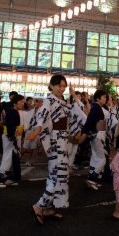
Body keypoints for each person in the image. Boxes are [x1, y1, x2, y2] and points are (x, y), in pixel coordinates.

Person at [27, 74, 75, 225]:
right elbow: (41, 116)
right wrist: (37, 130)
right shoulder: (48, 101)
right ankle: (39, 205)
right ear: (52, 86)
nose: (61, 89)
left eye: (63, 86)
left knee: (56, 174)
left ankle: (47, 207)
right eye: (59, 86)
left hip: (62, 139)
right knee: (58, 175)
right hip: (55, 142)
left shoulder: (62, 101)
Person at [79, 90, 109, 191]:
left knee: (96, 157)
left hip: (97, 135)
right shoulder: (96, 107)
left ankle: (93, 180)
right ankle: (92, 179)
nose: (105, 99)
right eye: (104, 97)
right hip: (98, 136)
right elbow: (89, 120)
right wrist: (84, 132)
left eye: (105, 97)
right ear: (98, 98)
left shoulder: (97, 107)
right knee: (102, 159)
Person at [0, 94, 24, 187]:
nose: (23, 103)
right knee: (8, 158)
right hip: (10, 137)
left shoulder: (13, 111)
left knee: (12, 158)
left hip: (10, 136)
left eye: (23, 101)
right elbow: (9, 126)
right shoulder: (12, 112)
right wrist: (13, 138)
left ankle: (8, 178)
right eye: (21, 101)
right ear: (15, 103)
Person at [22, 98, 43, 167]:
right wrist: (25, 129)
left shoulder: (43, 111)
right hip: (29, 130)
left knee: (32, 148)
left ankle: (29, 161)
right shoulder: (31, 111)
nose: (38, 103)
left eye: (40, 102)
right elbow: (27, 120)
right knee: (25, 147)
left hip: (36, 132)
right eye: (36, 102)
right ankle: (17, 157)